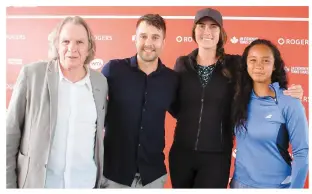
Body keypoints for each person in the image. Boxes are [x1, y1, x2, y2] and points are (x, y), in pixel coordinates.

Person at [168, 8, 304, 188]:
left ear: (221, 33)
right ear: (194, 31)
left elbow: (260, 77)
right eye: (201, 26)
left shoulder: (234, 64)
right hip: (181, 153)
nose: (206, 31)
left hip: (216, 155)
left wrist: (287, 92)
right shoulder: (182, 63)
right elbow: (173, 102)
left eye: (213, 27)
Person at [6, 16, 108, 188]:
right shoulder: (32, 75)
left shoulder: (100, 82)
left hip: (85, 184)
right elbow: (10, 133)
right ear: (56, 45)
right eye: (66, 41)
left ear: (89, 47)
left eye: (80, 42)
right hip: (39, 184)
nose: (72, 48)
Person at [101, 14, 178, 188]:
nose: (148, 43)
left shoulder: (172, 80)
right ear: (135, 39)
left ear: (163, 42)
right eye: (143, 36)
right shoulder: (113, 70)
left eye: (155, 37)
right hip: (114, 175)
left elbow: (184, 113)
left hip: (153, 176)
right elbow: (92, 108)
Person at [230, 39, 308, 188]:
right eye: (253, 60)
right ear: (246, 64)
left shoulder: (289, 102)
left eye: (265, 60)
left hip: (275, 186)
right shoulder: (238, 99)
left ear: (274, 66)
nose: (258, 66)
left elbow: (302, 153)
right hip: (239, 184)